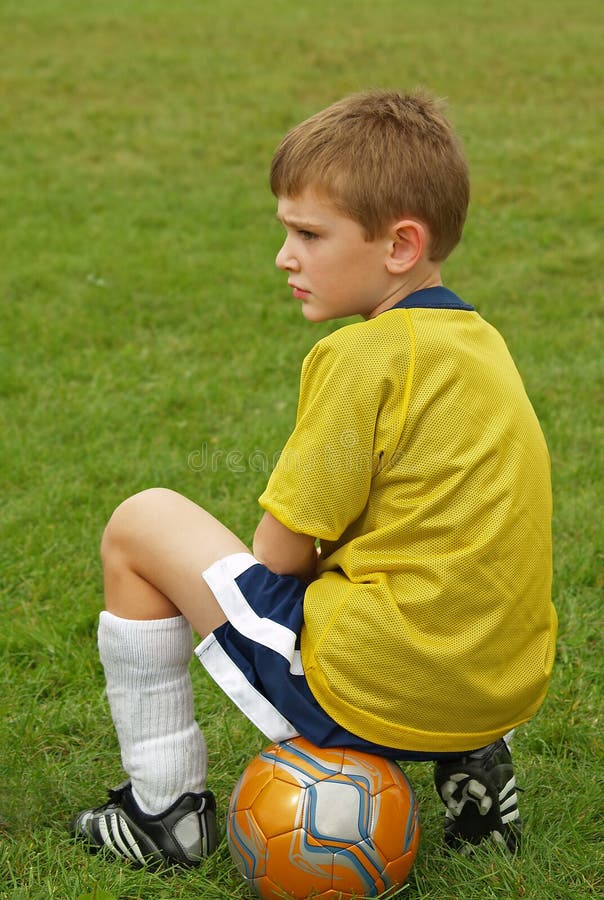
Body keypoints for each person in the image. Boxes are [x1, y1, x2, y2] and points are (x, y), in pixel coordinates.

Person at [72, 89, 556, 866]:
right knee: (446, 559)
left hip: (373, 690)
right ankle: (472, 768)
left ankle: (162, 812)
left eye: (308, 233)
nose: (284, 255)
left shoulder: (359, 357)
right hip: (497, 685)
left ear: (399, 246)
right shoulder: (484, 346)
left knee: (142, 521)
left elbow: (282, 554)